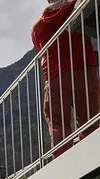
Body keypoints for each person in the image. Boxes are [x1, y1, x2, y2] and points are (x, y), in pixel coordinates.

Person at [32, 0, 99, 157]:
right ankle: (94, 155)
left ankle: (64, 159)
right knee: (90, 119)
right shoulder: (79, 7)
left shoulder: (38, 26)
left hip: (56, 76)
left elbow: (40, 50)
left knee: (58, 123)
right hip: (85, 69)